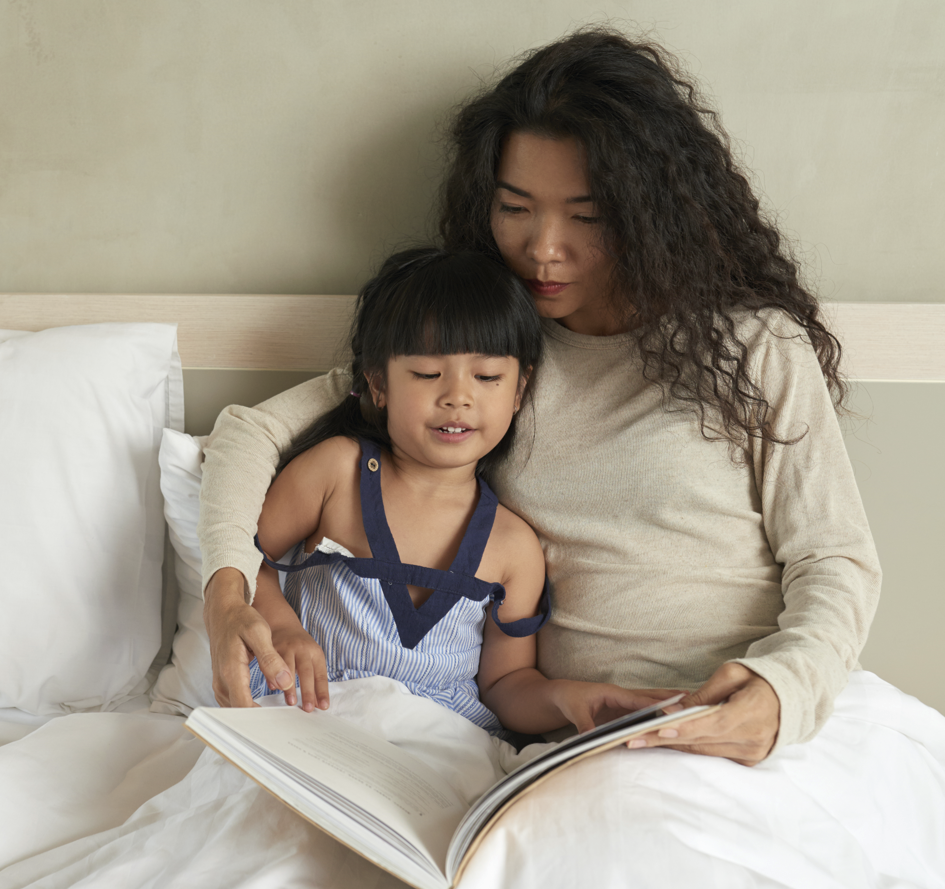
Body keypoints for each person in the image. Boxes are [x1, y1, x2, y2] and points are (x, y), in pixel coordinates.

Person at [199, 27, 878, 767]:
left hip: (731, 722)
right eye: (515, 207)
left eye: (586, 216)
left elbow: (833, 558)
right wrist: (228, 595)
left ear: (652, 216)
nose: (542, 247)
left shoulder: (753, 348)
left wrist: (782, 690)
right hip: (563, 740)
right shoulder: (484, 353)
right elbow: (248, 433)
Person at [244, 246, 674, 736]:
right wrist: (282, 628)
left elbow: (507, 683)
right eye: (428, 374)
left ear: (519, 391)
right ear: (378, 383)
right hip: (311, 718)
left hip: (437, 748)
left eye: (488, 376)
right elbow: (241, 559)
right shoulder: (335, 472)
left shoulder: (512, 547)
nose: (458, 396)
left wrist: (569, 699)